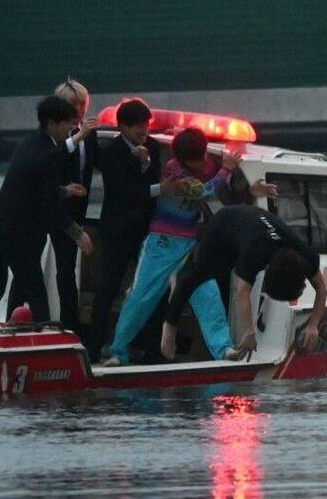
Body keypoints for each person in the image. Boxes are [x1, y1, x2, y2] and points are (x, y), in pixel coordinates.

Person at [103, 127, 240, 366]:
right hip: (162, 243)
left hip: (191, 245)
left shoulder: (207, 164)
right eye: (195, 159)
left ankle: (224, 347)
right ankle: (118, 351)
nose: (201, 163)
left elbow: (218, 185)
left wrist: (225, 169)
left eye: (203, 157)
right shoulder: (174, 171)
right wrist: (226, 168)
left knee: (208, 294)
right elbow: (203, 190)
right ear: (183, 159)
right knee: (141, 296)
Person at [0, 96, 93, 323]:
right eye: (66, 123)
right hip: (17, 233)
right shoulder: (52, 154)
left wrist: (64, 190)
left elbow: (31, 186)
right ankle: (41, 344)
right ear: (51, 124)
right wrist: (78, 234)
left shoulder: (28, 143)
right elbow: (50, 206)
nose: (70, 129)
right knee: (35, 290)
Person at [162, 205, 327, 362]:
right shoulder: (256, 252)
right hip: (223, 225)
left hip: (251, 225)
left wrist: (314, 324)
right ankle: (169, 325)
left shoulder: (306, 256)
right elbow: (241, 292)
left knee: (227, 272)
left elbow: (321, 289)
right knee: (198, 277)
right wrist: (248, 334)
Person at [86, 98, 181, 362]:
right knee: (108, 289)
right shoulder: (113, 152)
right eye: (137, 126)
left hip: (146, 231)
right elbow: (122, 193)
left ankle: (153, 348)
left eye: (146, 125)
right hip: (117, 231)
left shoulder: (150, 146)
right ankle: (93, 348)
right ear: (123, 128)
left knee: (154, 287)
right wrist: (158, 187)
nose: (143, 130)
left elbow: (151, 180)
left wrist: (146, 163)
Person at [6, 78, 98, 333]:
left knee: (66, 272)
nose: (79, 113)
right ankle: (12, 318)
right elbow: (55, 156)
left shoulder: (88, 135)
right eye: (73, 107)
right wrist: (78, 137)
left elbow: (98, 162)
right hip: (43, 209)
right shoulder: (53, 138)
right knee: (27, 267)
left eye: (82, 106)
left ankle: (70, 326)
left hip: (70, 212)